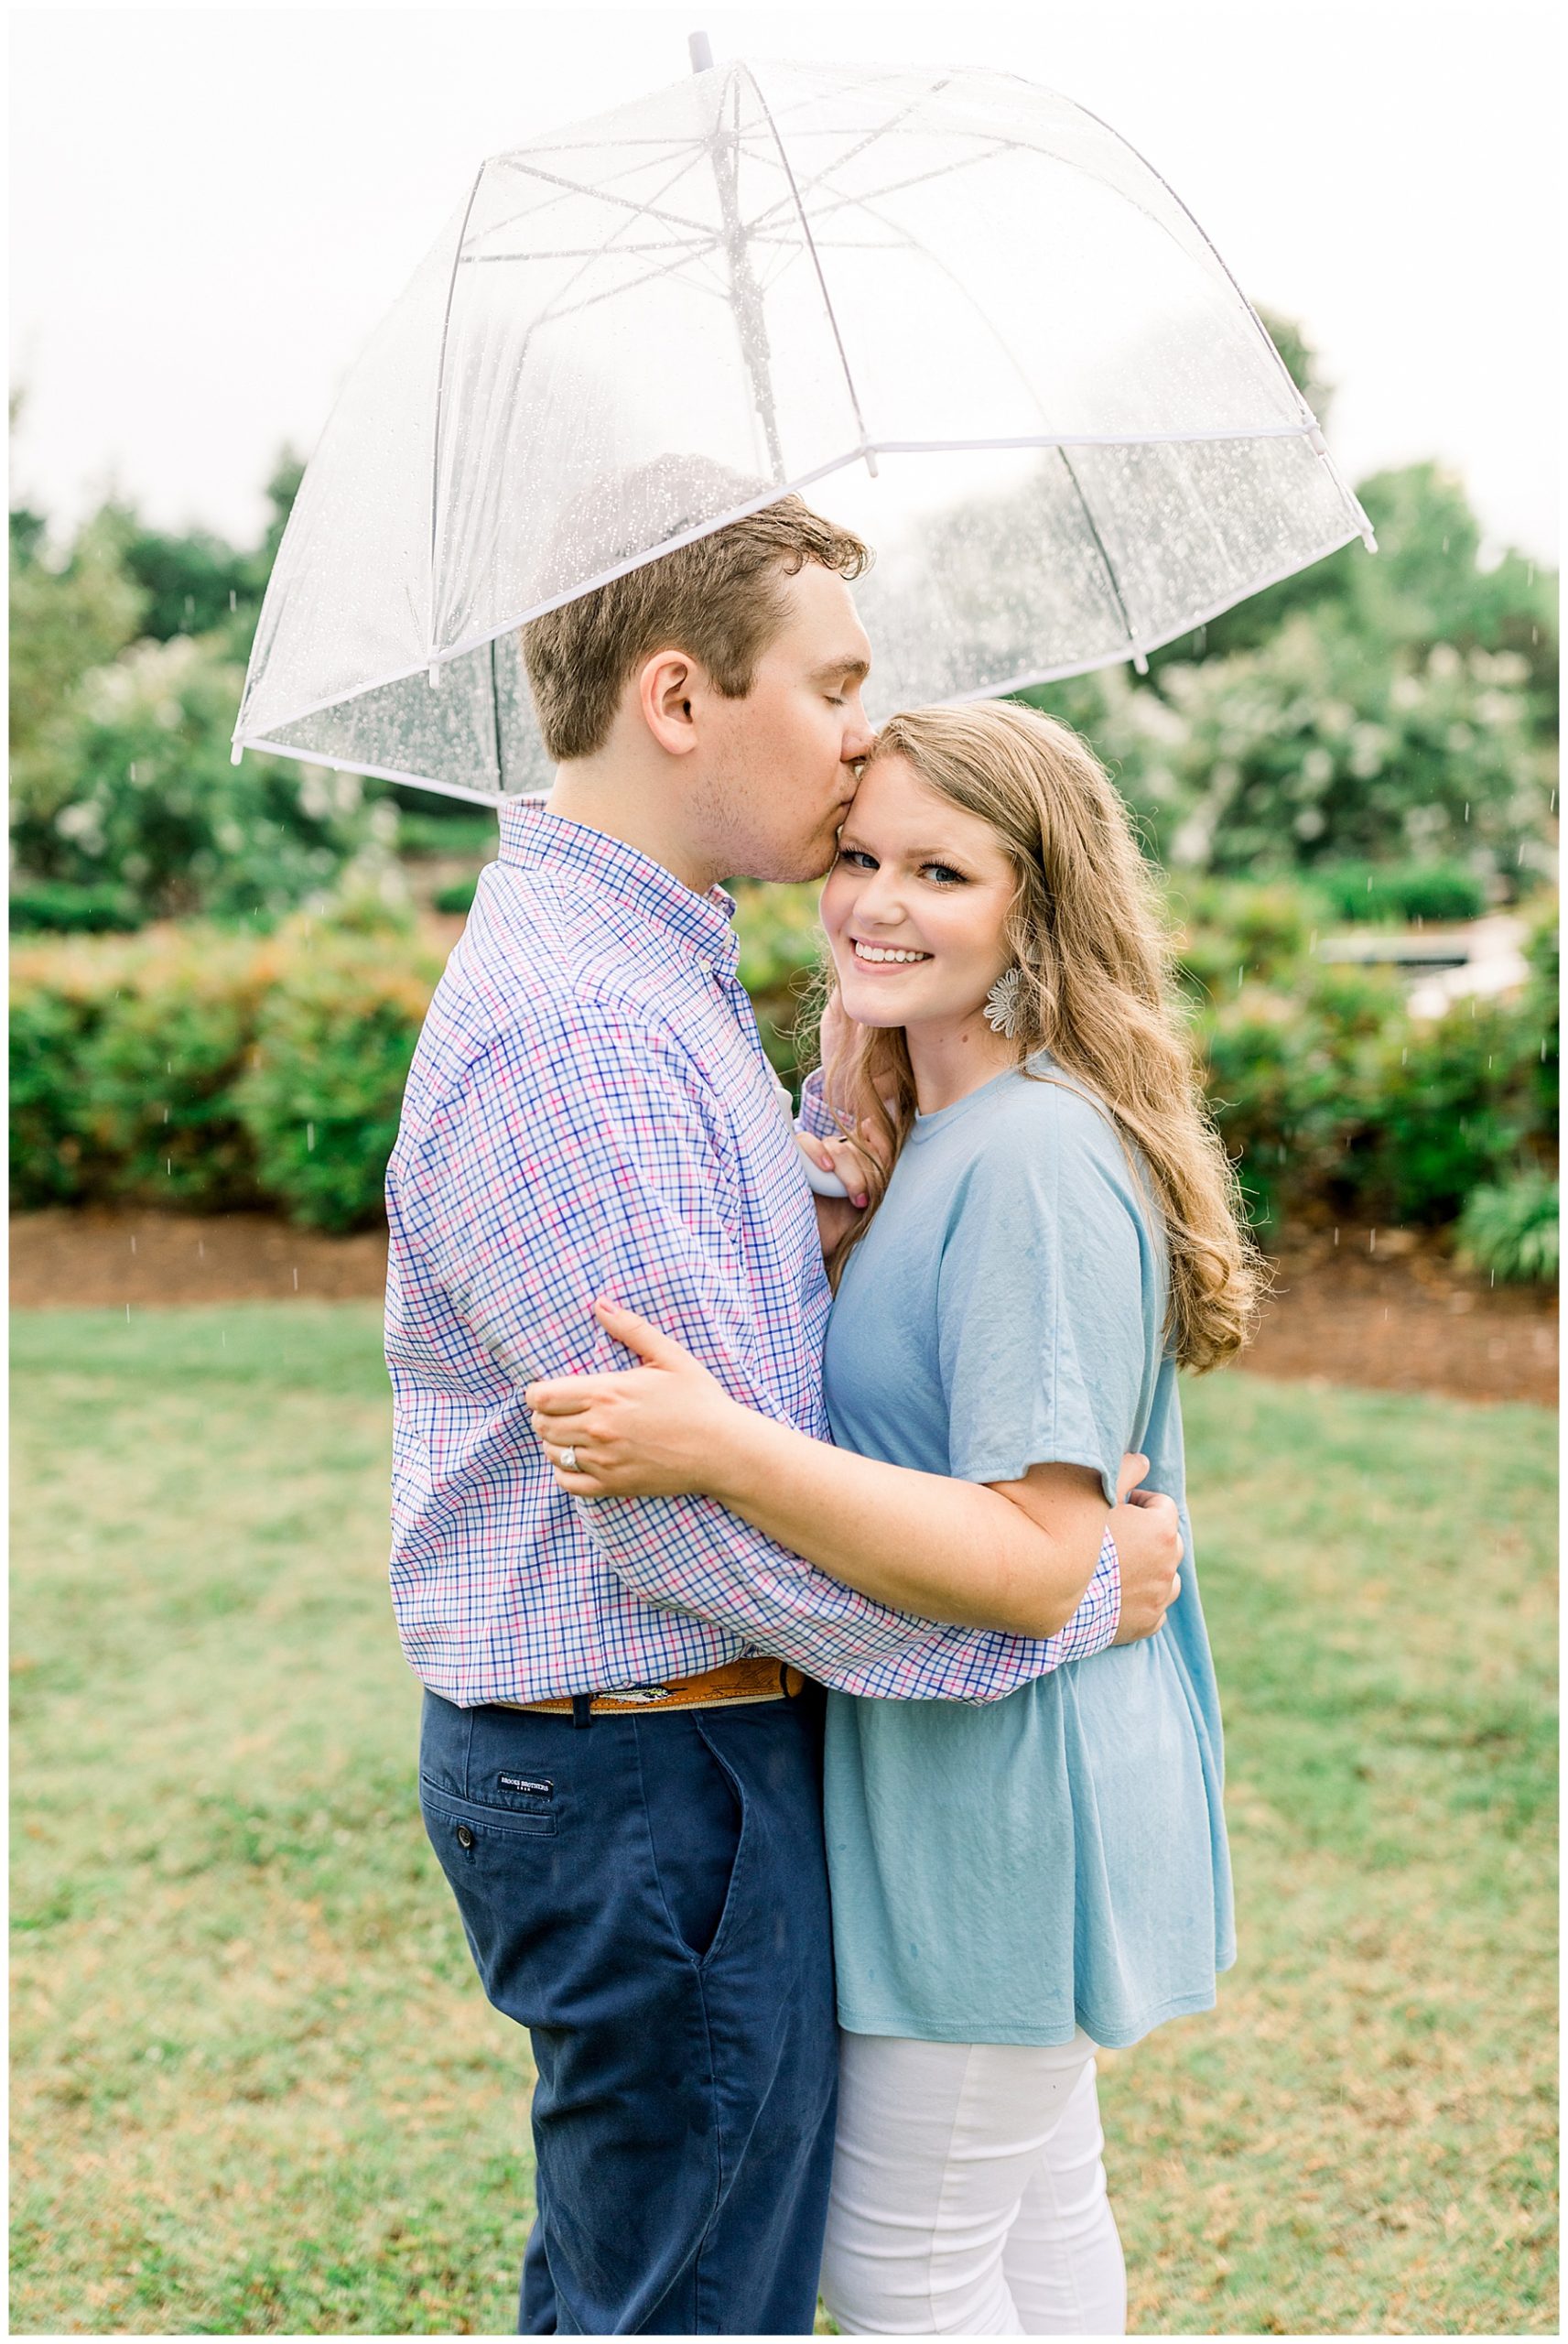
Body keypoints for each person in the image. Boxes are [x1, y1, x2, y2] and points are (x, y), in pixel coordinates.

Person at [384, 486, 1185, 2339]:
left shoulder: (654, 966)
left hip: (672, 1755)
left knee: (688, 2278)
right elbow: (685, 1516)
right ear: (678, 698)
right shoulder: (579, 1028)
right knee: (693, 2304)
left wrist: (823, 1180)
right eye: (830, 685)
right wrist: (1062, 1599)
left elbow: (728, 1374)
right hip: (647, 1766)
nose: (856, 730)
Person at [525, 699, 1255, 2334]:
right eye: (858, 856)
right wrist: (834, 1233)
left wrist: (720, 1448)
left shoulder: (1030, 1157)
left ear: (1037, 910)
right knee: (1032, 2214)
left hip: (1000, 1797)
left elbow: (1039, 1559)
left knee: (903, 2269)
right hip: (968, 1775)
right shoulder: (941, 1141)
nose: (873, 901)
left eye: (940, 871)